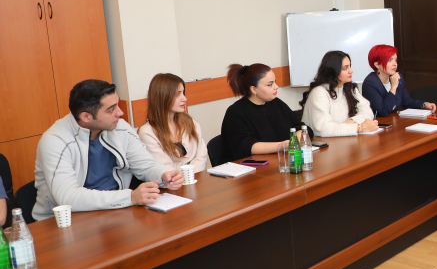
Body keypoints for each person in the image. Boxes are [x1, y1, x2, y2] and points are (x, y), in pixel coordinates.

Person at [33, 80, 184, 221]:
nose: (120, 113)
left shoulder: (120, 128)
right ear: (86, 117)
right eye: (111, 109)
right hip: (65, 221)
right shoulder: (55, 141)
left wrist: (163, 174)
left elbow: (146, 165)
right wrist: (130, 197)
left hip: (116, 212)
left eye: (117, 105)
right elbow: (67, 197)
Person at [220, 63, 297, 162]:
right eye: (270, 84)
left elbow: (300, 126)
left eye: (275, 82)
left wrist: (297, 141)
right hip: (252, 166)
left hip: (281, 160)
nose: (276, 87)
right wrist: (284, 145)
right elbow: (246, 146)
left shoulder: (276, 103)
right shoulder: (235, 112)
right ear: (254, 89)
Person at [137, 73, 209, 172]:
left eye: (183, 93)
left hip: (196, 178)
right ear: (163, 97)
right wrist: (187, 174)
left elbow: (202, 158)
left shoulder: (191, 122)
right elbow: (166, 170)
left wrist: (189, 175)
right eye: (178, 94)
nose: (184, 99)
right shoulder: (147, 132)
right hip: (171, 181)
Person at [301, 51, 377, 137]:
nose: (351, 71)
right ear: (333, 71)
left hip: (343, 139)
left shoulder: (350, 88)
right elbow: (322, 129)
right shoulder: (319, 93)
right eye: (345, 68)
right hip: (323, 143)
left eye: (350, 66)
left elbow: (367, 111)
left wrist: (350, 122)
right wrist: (359, 127)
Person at [361, 44, 436, 117]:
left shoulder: (397, 77)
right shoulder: (370, 83)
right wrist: (393, 88)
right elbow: (383, 111)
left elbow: (406, 101)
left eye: (395, 60)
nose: (395, 64)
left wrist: (424, 105)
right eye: (390, 60)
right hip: (378, 123)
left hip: (393, 120)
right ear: (377, 64)